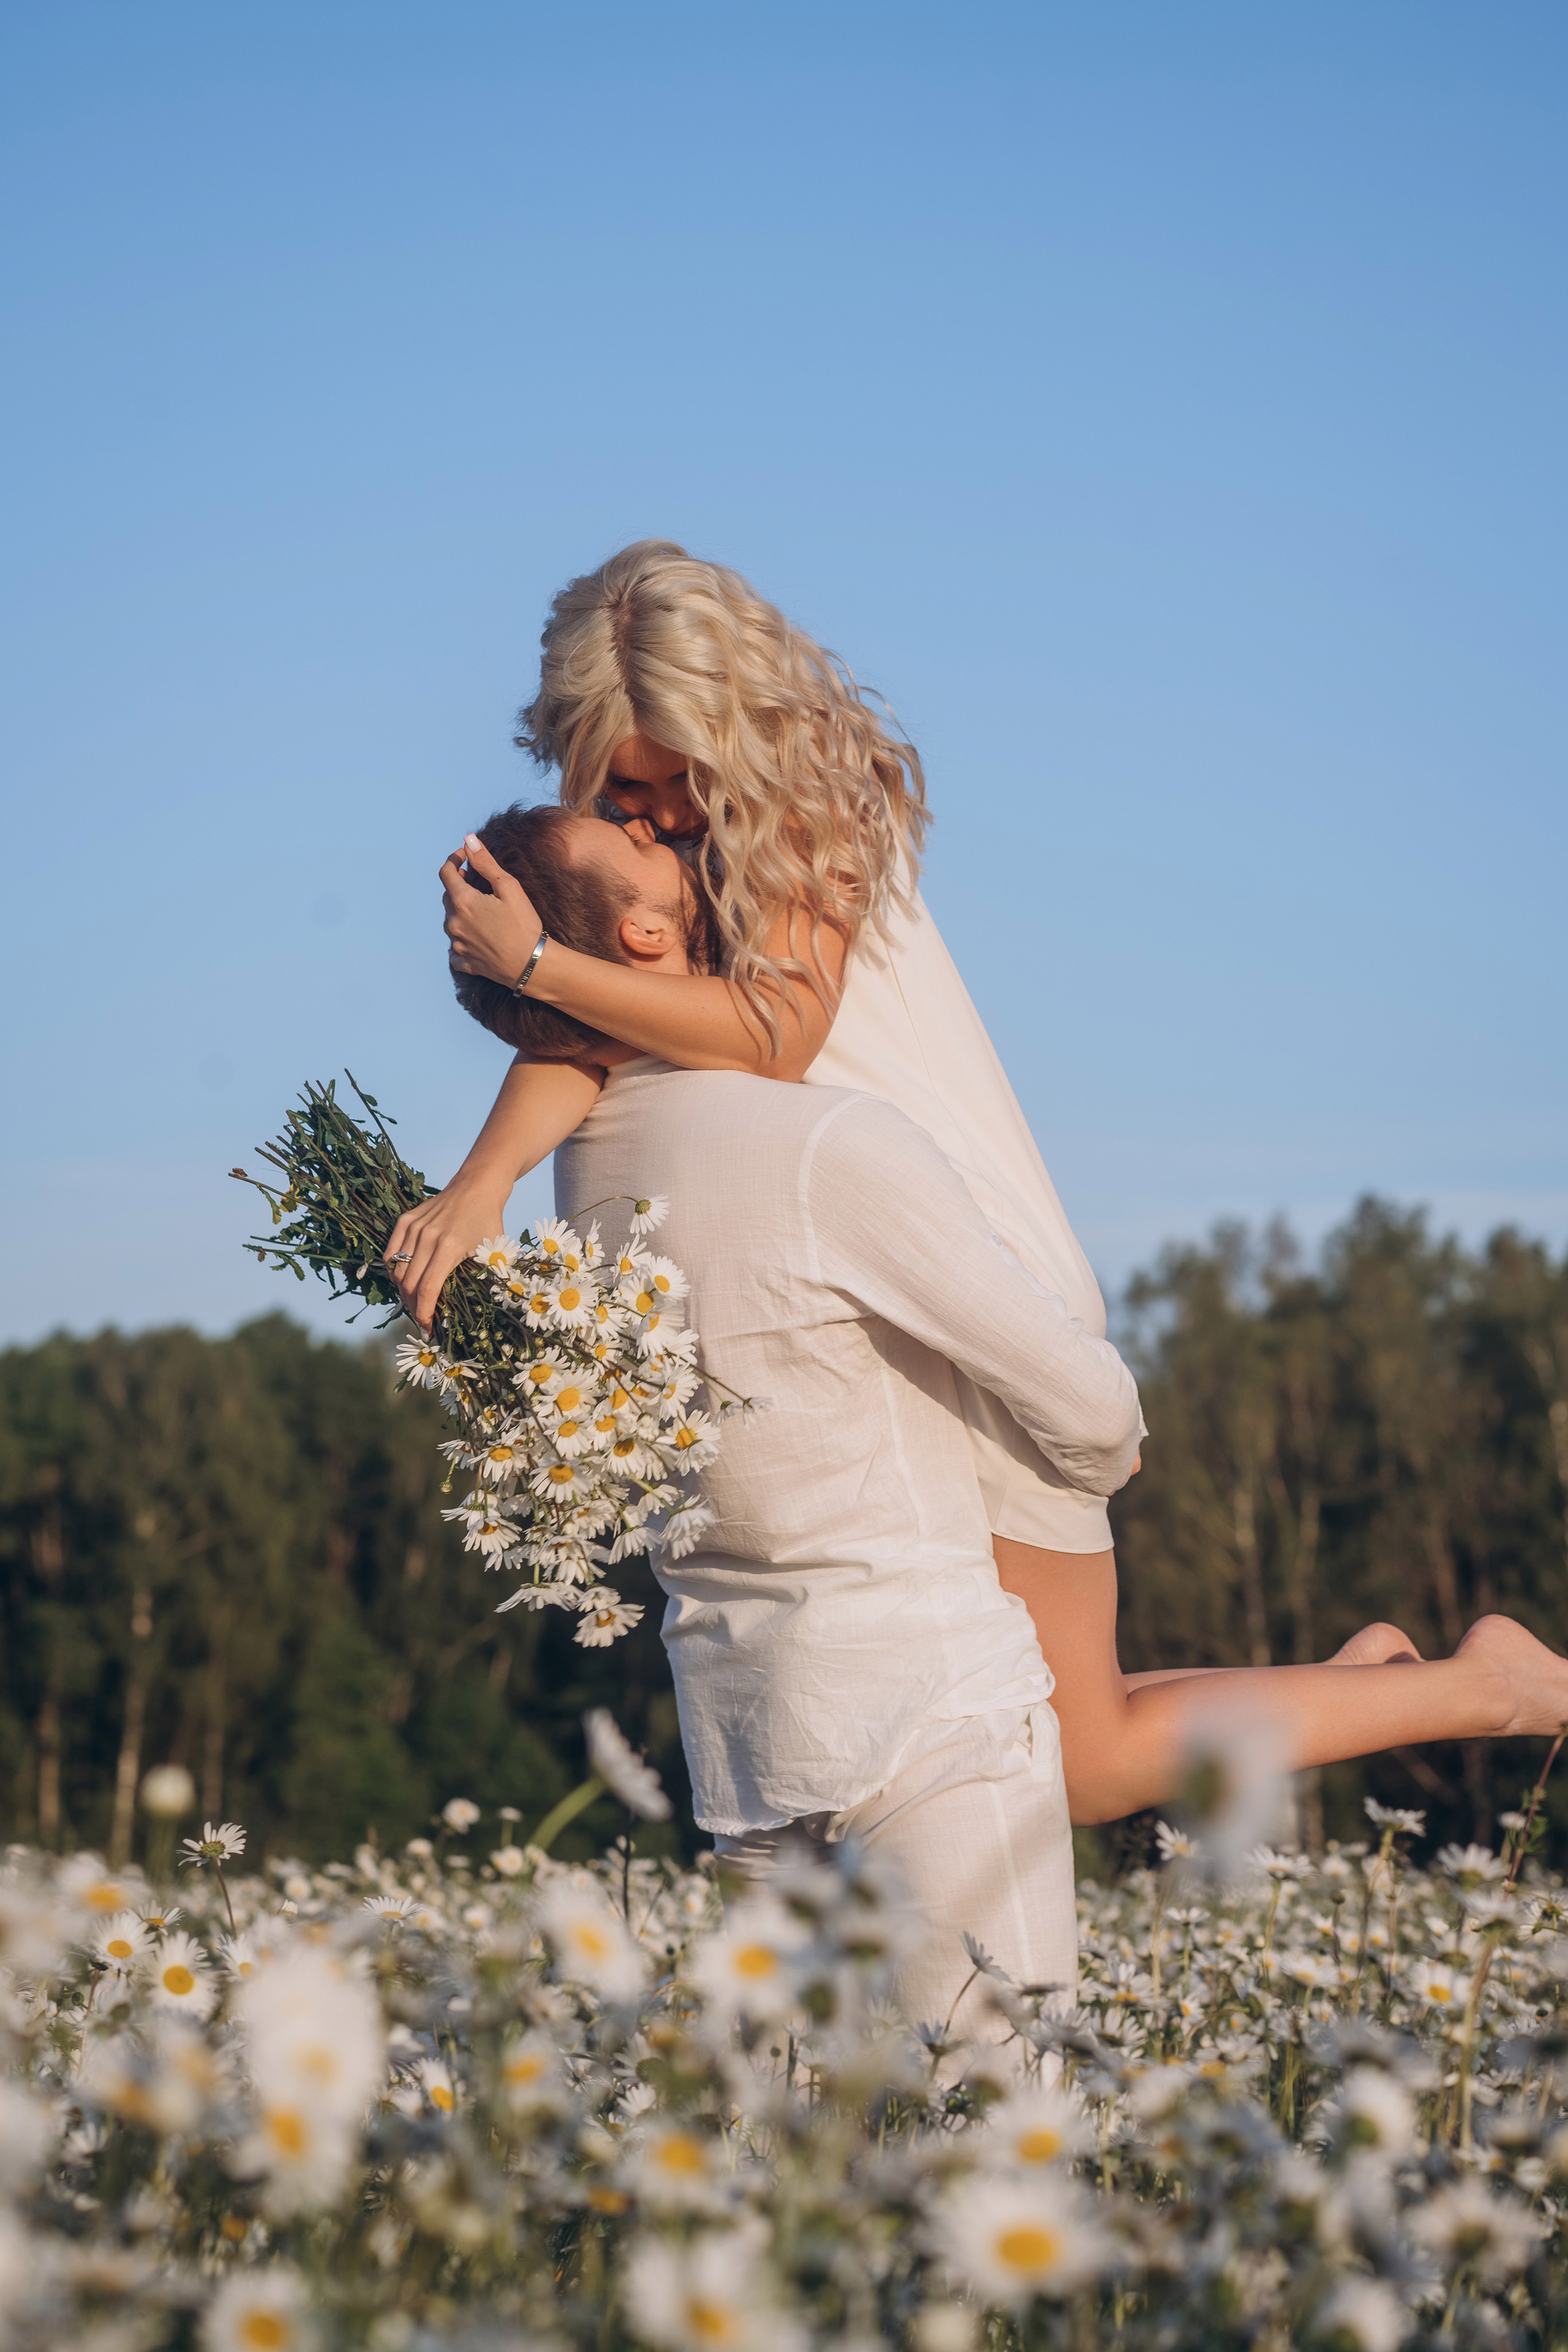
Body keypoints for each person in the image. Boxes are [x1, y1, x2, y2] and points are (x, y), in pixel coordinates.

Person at [388, 543, 1568, 1826]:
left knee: (1077, 1761)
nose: (653, 815)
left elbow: (771, 1030)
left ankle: (1484, 1689)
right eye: (623, 787)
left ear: (735, 724)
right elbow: (609, 1046)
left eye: (674, 780)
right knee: (1052, 1722)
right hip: (858, 1274)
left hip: (964, 1264)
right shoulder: (650, 874)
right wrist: (479, 1185)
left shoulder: (808, 810)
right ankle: (1360, 1683)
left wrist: (547, 964)